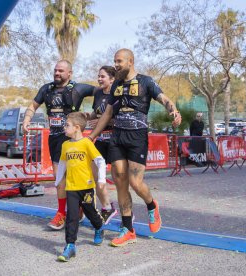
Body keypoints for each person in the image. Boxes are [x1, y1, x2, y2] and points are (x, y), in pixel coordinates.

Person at [87, 48, 182, 247]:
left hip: (137, 136)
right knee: (120, 181)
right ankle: (128, 228)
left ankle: (151, 205)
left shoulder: (146, 81)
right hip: (117, 137)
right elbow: (107, 113)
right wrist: (92, 137)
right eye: (114, 61)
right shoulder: (116, 86)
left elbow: (164, 99)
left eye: (119, 61)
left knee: (135, 183)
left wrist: (174, 111)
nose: (116, 64)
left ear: (131, 61)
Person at [22, 60, 95, 230]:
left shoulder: (79, 88)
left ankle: (79, 209)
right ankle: (62, 212)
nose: (57, 73)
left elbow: (103, 91)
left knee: (78, 176)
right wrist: (27, 119)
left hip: (73, 139)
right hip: (55, 139)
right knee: (59, 177)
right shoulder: (46, 89)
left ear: (69, 73)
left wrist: (93, 114)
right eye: (55, 70)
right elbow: (33, 105)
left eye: (61, 71)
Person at [55, 112, 106, 262]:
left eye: (67, 125)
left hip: (87, 187)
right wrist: (58, 181)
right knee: (72, 216)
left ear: (77, 128)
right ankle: (70, 245)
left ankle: (99, 227)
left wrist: (101, 180)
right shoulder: (65, 145)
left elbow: (100, 161)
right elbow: (62, 164)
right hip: (71, 187)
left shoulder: (86, 143)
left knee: (90, 211)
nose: (64, 128)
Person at [87, 65, 118, 224]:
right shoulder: (98, 93)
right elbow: (96, 112)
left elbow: (118, 118)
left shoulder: (118, 93)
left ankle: (128, 215)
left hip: (116, 140)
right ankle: (107, 207)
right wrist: (86, 118)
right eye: (98, 76)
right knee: (96, 174)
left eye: (103, 76)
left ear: (112, 79)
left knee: (119, 178)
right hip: (100, 140)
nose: (99, 79)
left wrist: (100, 121)